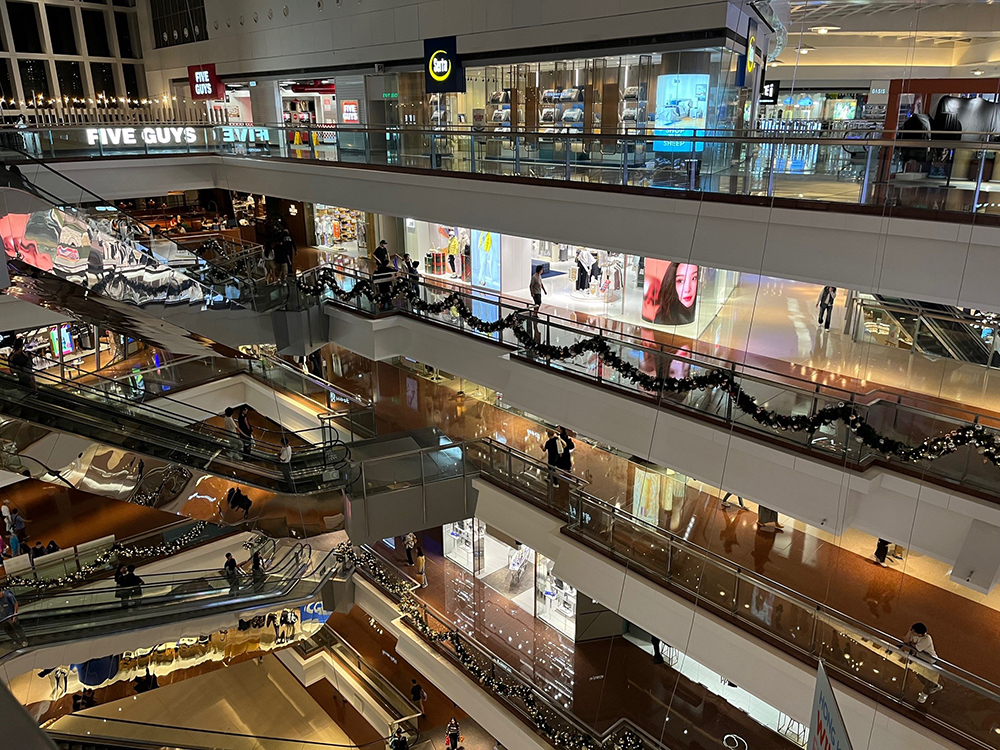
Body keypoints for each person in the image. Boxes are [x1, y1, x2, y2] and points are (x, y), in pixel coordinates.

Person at [901, 622, 942, 703]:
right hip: (921, 660)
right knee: (919, 675)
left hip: (931, 662)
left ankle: (924, 695)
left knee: (928, 680)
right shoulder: (914, 634)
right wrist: (910, 631)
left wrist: (911, 643)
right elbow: (906, 640)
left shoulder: (927, 639)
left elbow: (916, 648)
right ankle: (934, 685)